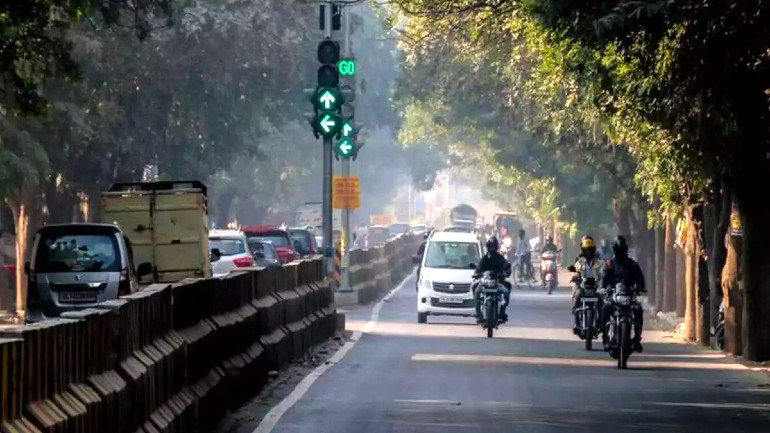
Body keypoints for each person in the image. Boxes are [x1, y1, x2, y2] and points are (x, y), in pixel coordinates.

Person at [601, 235, 646, 352]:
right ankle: (605, 339)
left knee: (638, 310)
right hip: (614, 295)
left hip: (629, 295)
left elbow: (640, 280)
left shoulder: (632, 264)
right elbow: (604, 278)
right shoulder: (610, 264)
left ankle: (636, 339)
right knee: (605, 309)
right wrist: (603, 288)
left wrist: (640, 288)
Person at [473, 236, 512, 322]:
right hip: (485, 281)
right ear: (488, 247)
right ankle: (477, 309)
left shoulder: (500, 258)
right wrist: (476, 273)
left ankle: (503, 309)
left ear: (496, 247)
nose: (492, 248)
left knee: (508, 286)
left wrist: (506, 272)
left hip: (498, 282)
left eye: (493, 246)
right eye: (491, 246)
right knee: (475, 287)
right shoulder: (485, 258)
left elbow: (506, 267)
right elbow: (478, 267)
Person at [571, 235, 604, 332]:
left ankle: (600, 323)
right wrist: (575, 276)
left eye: (590, 249)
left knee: (602, 303)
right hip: (582, 286)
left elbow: (604, 272)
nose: (588, 252)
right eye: (586, 249)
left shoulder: (599, 261)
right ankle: (576, 323)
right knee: (577, 296)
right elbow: (575, 271)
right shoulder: (579, 261)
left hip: (596, 287)